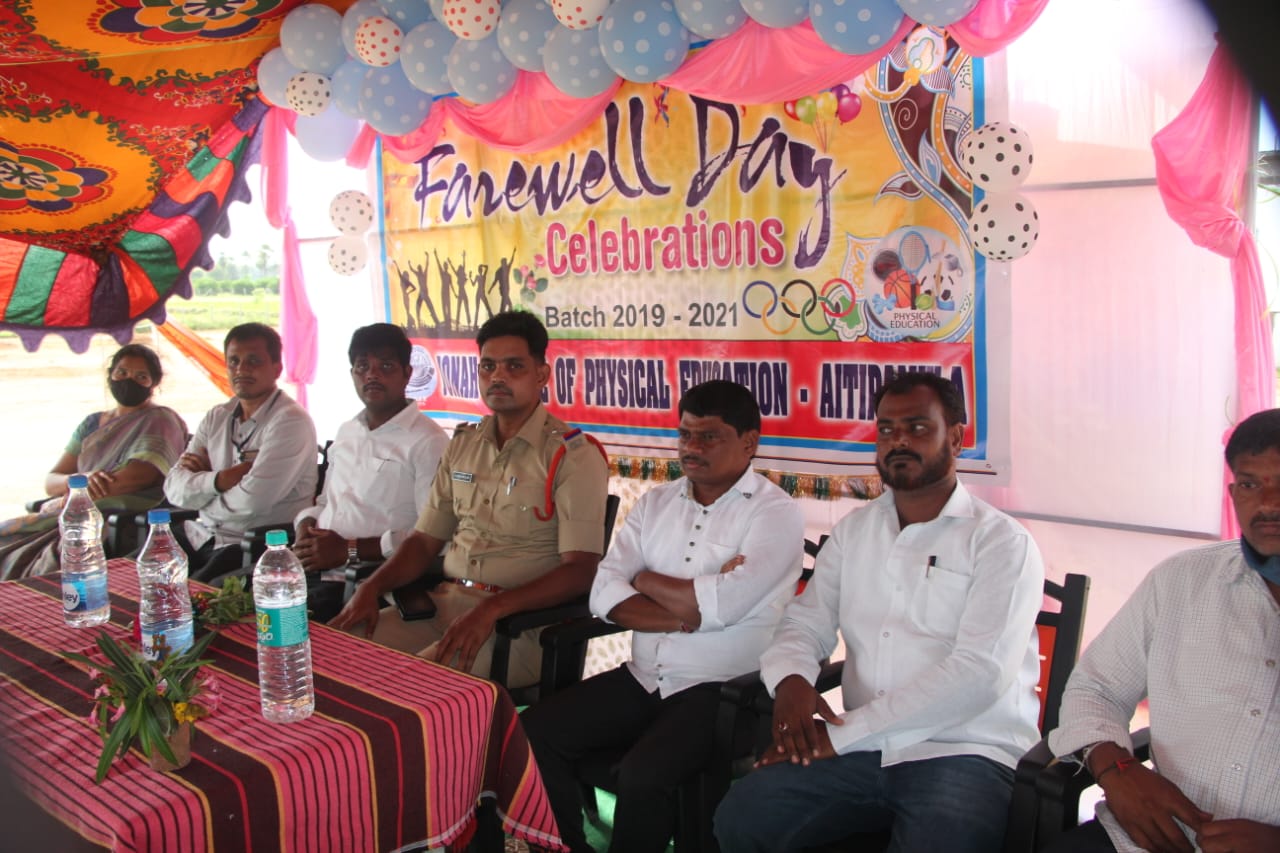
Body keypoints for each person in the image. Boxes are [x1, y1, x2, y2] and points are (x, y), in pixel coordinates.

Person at [714, 371, 1045, 853]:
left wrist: (842, 736)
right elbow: (806, 622)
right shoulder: (855, 531)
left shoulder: (1000, 542)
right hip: (863, 750)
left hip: (965, 750)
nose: (898, 441)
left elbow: (980, 673)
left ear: (956, 438)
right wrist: (791, 681)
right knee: (743, 816)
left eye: (917, 427)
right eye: (886, 429)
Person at [521, 380, 804, 853]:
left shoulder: (776, 513)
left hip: (724, 693)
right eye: (685, 435)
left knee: (642, 774)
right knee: (535, 732)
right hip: (644, 676)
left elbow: (723, 605)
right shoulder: (657, 502)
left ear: (749, 443)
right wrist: (686, 611)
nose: (692, 448)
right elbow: (604, 590)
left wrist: (645, 578)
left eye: (709, 437)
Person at [329, 311, 609, 688]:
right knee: (334, 657)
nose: (498, 377)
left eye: (514, 366)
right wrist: (371, 588)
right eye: (488, 366)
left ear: (541, 375)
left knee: (404, 687)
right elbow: (424, 541)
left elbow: (580, 570)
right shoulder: (463, 445)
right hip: (443, 606)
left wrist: (494, 608)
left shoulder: (571, 455)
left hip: (517, 628)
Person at [1045, 408, 1280, 853]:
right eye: (1251, 484)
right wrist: (1117, 770)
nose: (1268, 504)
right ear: (1233, 493)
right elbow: (1096, 688)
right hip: (1148, 837)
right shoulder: (1181, 581)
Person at [291, 324, 449, 621]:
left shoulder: (428, 442)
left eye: (385, 366)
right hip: (313, 571)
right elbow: (325, 503)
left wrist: (348, 550)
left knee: (287, 629)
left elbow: (432, 537)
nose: (372, 375)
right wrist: (306, 526)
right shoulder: (347, 431)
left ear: (407, 373)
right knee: (235, 606)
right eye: (363, 366)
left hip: (365, 581)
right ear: (352, 373)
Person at [0, 343, 187, 579]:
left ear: (154, 383)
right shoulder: (92, 424)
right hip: (69, 513)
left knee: (55, 562)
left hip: (114, 519)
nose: (129, 380)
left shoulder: (160, 420)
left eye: (141, 376)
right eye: (122, 372)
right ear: (110, 375)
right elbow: (52, 481)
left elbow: (138, 477)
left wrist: (80, 491)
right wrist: (81, 480)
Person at [163, 323, 317, 582]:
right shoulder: (217, 416)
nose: (241, 369)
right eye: (234, 361)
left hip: (251, 546)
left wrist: (202, 496)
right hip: (201, 534)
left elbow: (252, 501)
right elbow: (173, 488)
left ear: (276, 368)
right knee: (136, 573)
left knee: (189, 596)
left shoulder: (290, 421)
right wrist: (219, 480)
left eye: (253, 361)